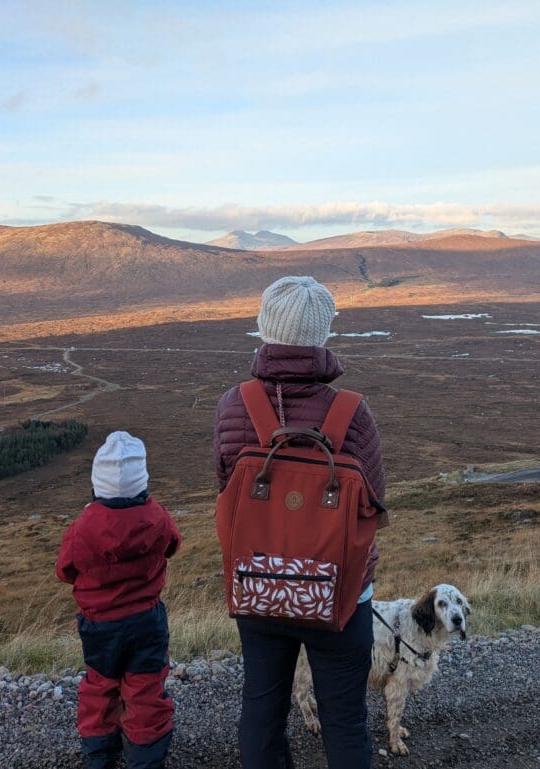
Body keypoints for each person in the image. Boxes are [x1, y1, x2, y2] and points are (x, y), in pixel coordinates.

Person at [214, 276, 388, 769]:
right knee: (346, 720)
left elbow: (225, 490)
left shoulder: (234, 404)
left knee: (262, 713)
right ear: (323, 334)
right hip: (341, 595)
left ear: (264, 326)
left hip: (260, 589)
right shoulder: (353, 412)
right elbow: (374, 501)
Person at [56, 431, 182, 769]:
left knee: (100, 687)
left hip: (99, 625)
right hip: (147, 621)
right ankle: (146, 759)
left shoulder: (82, 527)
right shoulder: (157, 517)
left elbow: (64, 571)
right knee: (145, 690)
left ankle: (99, 758)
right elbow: (173, 545)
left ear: (98, 484)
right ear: (142, 482)